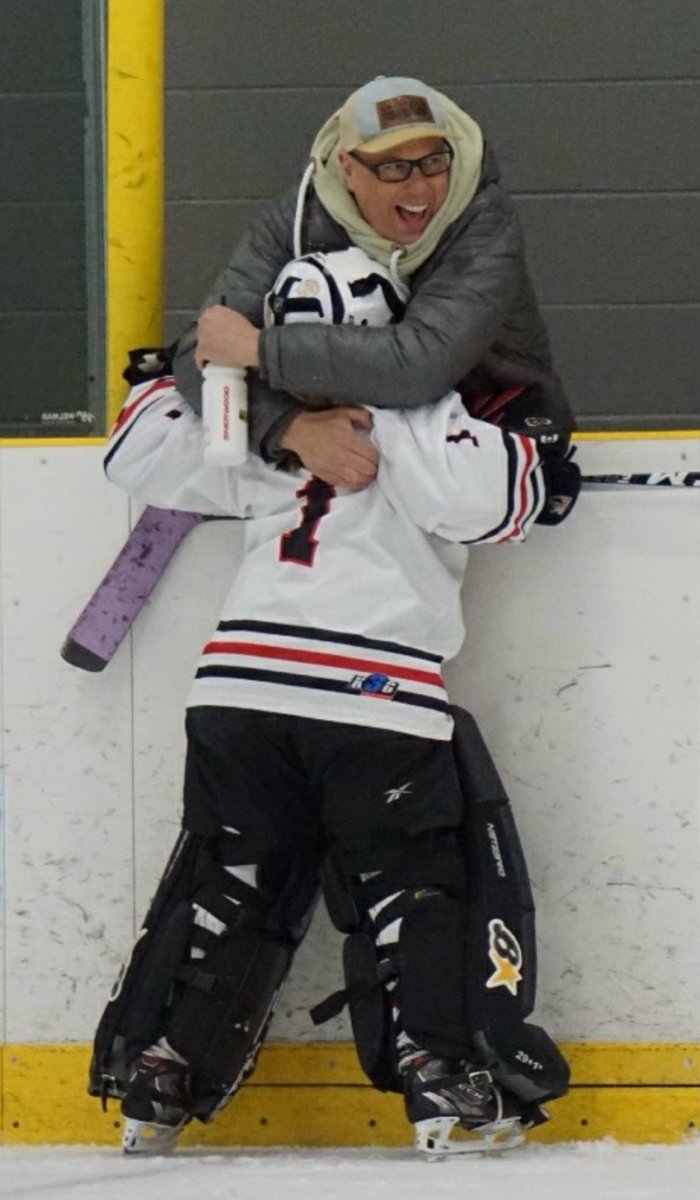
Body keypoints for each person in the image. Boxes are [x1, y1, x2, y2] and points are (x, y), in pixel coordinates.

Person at [90, 246, 573, 1159]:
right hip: (373, 690)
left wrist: (182, 372)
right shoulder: (423, 412)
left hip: (236, 688)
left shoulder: (254, 424)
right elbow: (501, 506)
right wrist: (497, 432)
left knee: (230, 882)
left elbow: (135, 450)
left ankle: (160, 1072)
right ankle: (441, 1079)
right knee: (413, 888)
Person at [173, 75, 574, 492]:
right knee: (162, 423)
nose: (419, 187)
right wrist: (291, 428)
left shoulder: (482, 216)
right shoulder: (298, 218)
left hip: (477, 422)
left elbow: (422, 364)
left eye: (434, 161)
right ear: (348, 168)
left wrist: (258, 349)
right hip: (342, 425)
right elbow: (200, 348)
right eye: (394, 168)